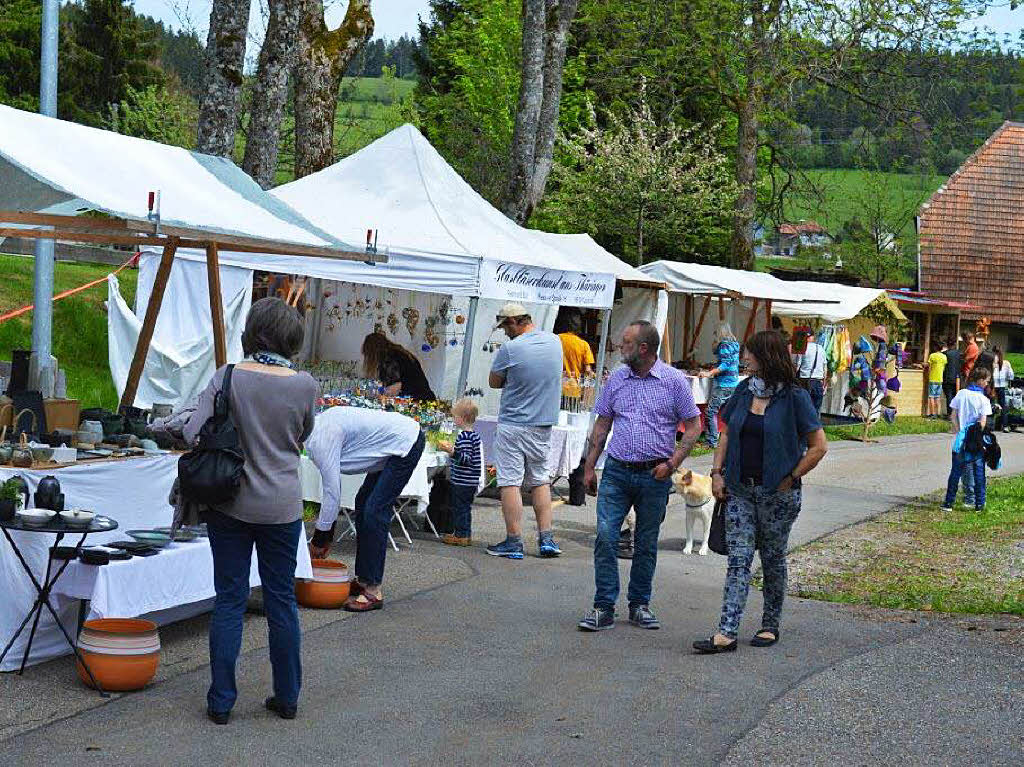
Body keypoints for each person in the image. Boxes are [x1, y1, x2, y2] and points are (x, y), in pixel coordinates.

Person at [184, 297, 318, 724]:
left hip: (231, 501)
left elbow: (193, 430)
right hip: (282, 505)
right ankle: (287, 696)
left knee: (229, 600)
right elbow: (304, 434)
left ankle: (221, 701)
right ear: (291, 339)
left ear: (252, 331)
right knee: (282, 601)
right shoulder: (305, 385)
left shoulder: (227, 376)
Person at [693, 330, 828, 654]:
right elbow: (725, 435)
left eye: (750, 353)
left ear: (766, 356)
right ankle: (726, 632)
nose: (744, 358)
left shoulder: (795, 398)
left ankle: (770, 624)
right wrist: (716, 474)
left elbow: (818, 446)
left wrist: (791, 477)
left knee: (771, 559)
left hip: (778, 496)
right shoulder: (742, 391)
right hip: (740, 490)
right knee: (738, 560)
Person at [578, 321, 702, 631]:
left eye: (626, 343)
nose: (620, 347)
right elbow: (602, 424)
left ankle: (639, 605)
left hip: (655, 474)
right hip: (617, 470)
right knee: (606, 537)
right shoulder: (618, 378)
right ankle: (603, 606)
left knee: (645, 542)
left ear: (643, 348)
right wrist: (589, 466)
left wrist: (673, 463)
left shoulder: (673, 381)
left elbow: (694, 424)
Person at [306, 406, 426, 610]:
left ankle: (373, 590)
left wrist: (320, 539)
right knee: (363, 502)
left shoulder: (320, 440)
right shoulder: (318, 428)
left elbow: (332, 493)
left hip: (407, 442)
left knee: (375, 510)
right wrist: (326, 536)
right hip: (395, 439)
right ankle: (363, 578)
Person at [486, 303, 564, 560]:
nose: (505, 333)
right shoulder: (555, 342)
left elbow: (494, 382)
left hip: (513, 422)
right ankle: (547, 539)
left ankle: (514, 541)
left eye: (506, 327)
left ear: (516, 322)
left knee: (510, 482)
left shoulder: (511, 348)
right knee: (540, 480)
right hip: (542, 423)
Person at [941, 367, 992, 512]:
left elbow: (953, 416)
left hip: (960, 439)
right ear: (981, 380)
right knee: (978, 472)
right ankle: (979, 504)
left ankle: (948, 503)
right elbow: (982, 423)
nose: (987, 384)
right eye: (986, 381)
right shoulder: (983, 399)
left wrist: (959, 430)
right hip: (974, 441)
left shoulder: (961, 393)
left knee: (955, 472)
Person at [439, 398, 482, 546]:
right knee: (465, 508)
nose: (453, 419)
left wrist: (452, 451)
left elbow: (465, 458)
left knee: (459, 508)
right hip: (471, 481)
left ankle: (460, 534)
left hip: (462, 480)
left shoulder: (464, 436)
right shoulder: (475, 436)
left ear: (462, 418)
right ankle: (465, 533)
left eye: (454, 417)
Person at [361, 332, 437, 402]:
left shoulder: (389, 358)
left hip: (416, 401)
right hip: (424, 398)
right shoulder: (399, 353)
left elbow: (393, 387)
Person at [699, 323, 740, 448]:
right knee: (728, 414)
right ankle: (730, 439)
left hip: (723, 384)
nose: (715, 336)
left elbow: (725, 365)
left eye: (716, 334)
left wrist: (709, 373)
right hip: (733, 383)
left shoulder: (724, 345)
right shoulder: (735, 344)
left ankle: (712, 442)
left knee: (711, 412)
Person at [791, 329, 827, 412]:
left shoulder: (802, 348)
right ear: (813, 337)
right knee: (816, 408)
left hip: (805, 381)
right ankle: (815, 423)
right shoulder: (820, 348)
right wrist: (824, 382)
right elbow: (825, 367)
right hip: (818, 381)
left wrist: (792, 378)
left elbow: (797, 366)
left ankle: (803, 424)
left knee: (804, 408)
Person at [556, 310, 595, 379]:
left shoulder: (555, 339)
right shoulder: (584, 344)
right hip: (574, 385)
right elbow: (588, 370)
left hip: (556, 383)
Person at [992, 347, 1015, 432]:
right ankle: (1005, 426)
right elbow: (1011, 376)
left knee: (991, 405)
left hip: (993, 386)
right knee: (1003, 407)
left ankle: (991, 425)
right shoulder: (1006, 363)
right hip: (1002, 387)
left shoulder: (993, 363)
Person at [926, 341, 949, 419]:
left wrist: (928, 375)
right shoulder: (944, 357)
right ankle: (938, 413)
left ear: (935, 347)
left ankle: (932, 414)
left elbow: (929, 367)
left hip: (932, 378)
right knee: (938, 397)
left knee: (931, 397)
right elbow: (944, 367)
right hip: (940, 379)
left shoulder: (932, 355)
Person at [942, 336, 961, 416]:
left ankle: (950, 413)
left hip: (947, 377)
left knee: (949, 395)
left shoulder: (945, 354)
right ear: (955, 343)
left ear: (947, 344)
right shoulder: (959, 353)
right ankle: (954, 413)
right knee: (954, 395)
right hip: (957, 377)